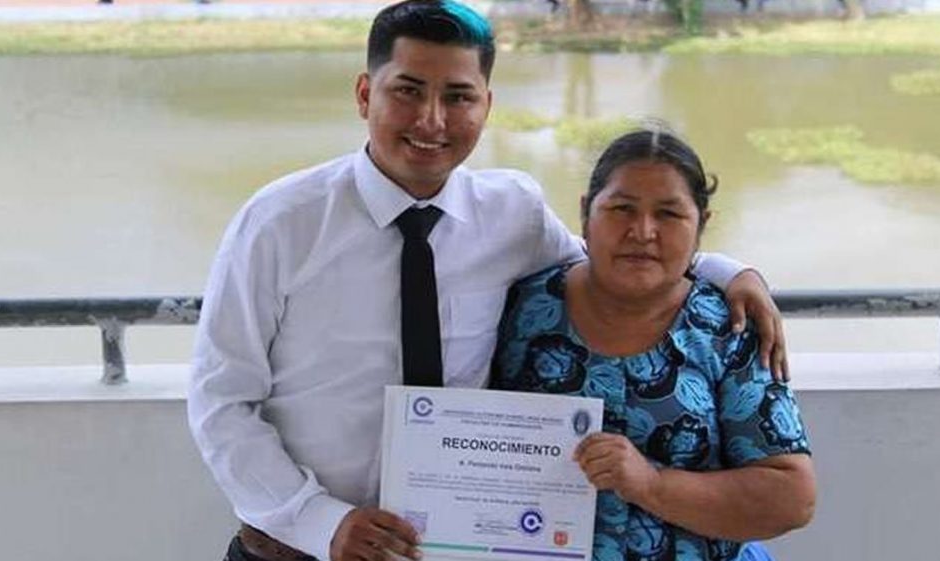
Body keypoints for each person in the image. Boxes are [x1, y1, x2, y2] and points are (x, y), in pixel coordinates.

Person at [187, 2, 788, 561]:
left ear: (487, 106)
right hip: (301, 547)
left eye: (457, 96)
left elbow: (609, 257)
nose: (431, 120)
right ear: (365, 93)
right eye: (408, 91)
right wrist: (324, 523)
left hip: (455, 543)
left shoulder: (512, 212)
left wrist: (726, 270)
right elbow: (221, 401)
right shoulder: (279, 222)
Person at [490, 128, 816, 561]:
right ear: (587, 212)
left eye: (669, 214)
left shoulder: (730, 326)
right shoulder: (520, 309)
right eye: (622, 208)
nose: (642, 232)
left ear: (703, 224)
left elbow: (793, 497)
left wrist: (650, 484)